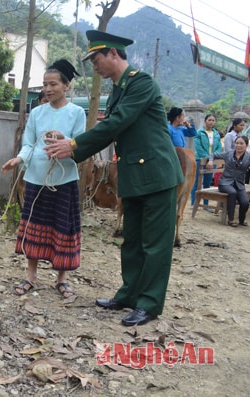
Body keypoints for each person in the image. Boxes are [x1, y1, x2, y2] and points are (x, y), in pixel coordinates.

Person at [46, 30, 183, 326]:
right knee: (132, 240)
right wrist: (73, 148)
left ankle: (149, 303)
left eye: (96, 59)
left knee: (155, 244)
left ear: (112, 54)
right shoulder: (119, 89)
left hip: (157, 174)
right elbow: (110, 128)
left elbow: (117, 123)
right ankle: (129, 294)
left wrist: (73, 145)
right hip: (134, 174)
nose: (94, 66)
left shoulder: (142, 83)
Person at [1, 59, 85, 300]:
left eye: (53, 84)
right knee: (33, 227)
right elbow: (29, 143)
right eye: (45, 84)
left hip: (64, 178)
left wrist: (65, 139)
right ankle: (31, 276)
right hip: (36, 179)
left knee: (63, 228)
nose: (48, 89)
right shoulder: (37, 112)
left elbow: (81, 144)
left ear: (66, 86)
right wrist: (18, 159)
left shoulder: (77, 113)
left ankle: (62, 279)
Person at [207, 135, 250, 227]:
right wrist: (210, 161)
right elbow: (213, 154)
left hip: (239, 184)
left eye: (241, 143)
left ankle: (241, 220)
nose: (238, 145)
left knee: (245, 202)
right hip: (225, 182)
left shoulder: (248, 157)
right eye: (237, 143)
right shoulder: (229, 153)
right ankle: (230, 219)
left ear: (246, 145)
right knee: (232, 193)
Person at [192, 114, 223, 206]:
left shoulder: (216, 134)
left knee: (207, 182)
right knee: (197, 181)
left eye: (213, 120)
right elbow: (198, 147)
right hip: (200, 159)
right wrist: (209, 158)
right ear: (205, 121)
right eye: (209, 120)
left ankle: (206, 203)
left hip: (211, 161)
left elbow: (219, 147)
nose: (211, 122)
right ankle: (194, 202)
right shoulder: (199, 132)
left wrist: (212, 158)